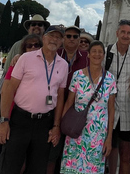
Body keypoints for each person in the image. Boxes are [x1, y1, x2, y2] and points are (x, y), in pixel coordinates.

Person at [0, 25, 67, 174]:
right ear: (44, 38)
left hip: (44, 123)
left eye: (58, 37)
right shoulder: (26, 58)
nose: (54, 39)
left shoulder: (63, 65)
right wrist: (4, 121)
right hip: (20, 120)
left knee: (37, 168)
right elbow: (9, 89)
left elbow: (60, 97)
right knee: (10, 165)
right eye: (51, 36)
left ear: (62, 42)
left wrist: (56, 126)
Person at [60, 41, 116, 174]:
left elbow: (111, 109)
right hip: (76, 130)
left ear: (103, 55)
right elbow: (69, 102)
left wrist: (109, 138)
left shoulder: (110, 78)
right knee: (72, 168)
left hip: (98, 134)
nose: (97, 54)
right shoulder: (78, 75)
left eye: (100, 52)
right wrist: (62, 126)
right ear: (89, 55)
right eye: (94, 51)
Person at [50, 25, 89, 173]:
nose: (72, 39)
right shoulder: (54, 53)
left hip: (75, 109)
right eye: (68, 36)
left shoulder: (86, 57)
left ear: (79, 40)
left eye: (75, 37)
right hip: (53, 106)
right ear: (63, 38)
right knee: (53, 147)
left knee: (71, 146)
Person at [106, 19, 130, 174]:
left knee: (125, 154)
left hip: (127, 110)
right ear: (117, 33)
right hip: (108, 109)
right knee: (109, 151)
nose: (126, 36)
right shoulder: (106, 52)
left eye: (129, 33)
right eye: (123, 32)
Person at [0, 15, 50, 95]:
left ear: (44, 28)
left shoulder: (47, 46)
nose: (36, 26)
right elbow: (7, 71)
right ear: (28, 28)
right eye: (33, 24)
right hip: (18, 90)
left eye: (40, 24)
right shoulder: (17, 45)